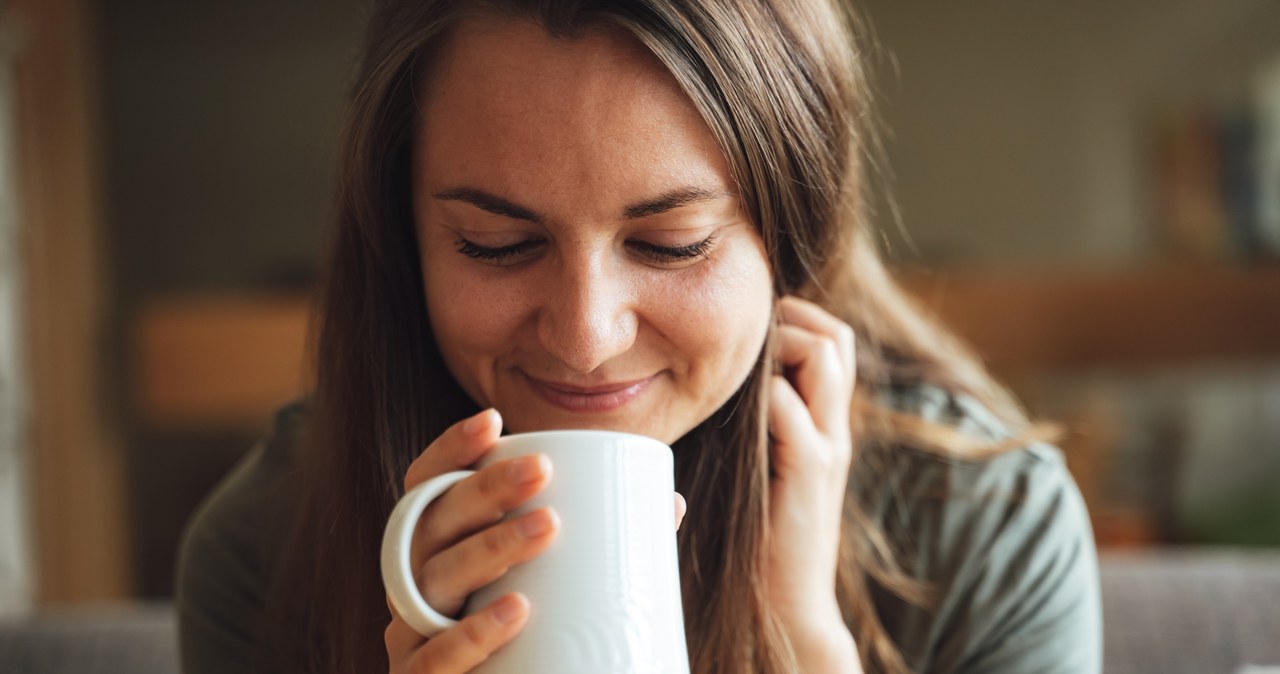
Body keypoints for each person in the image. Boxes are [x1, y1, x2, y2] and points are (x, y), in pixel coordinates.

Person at [177, 1, 1102, 673]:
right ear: (401, 237)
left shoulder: (980, 528)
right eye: (497, 245)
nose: (585, 336)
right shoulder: (266, 550)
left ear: (794, 240)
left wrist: (808, 646)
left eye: (671, 245)